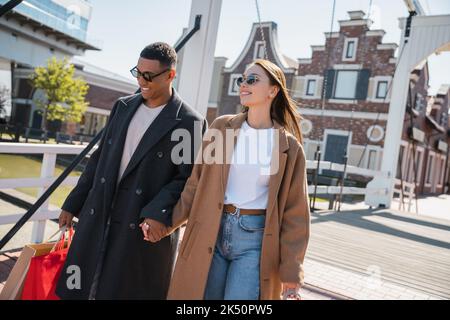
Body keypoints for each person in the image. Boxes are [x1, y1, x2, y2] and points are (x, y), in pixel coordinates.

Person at [143, 59, 310, 300]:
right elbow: (195, 184)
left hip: (254, 241)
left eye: (252, 80)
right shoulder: (222, 128)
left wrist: (292, 273)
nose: (244, 84)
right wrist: (166, 222)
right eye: (243, 79)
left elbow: (296, 214)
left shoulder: (289, 148)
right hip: (211, 229)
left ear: (273, 91)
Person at [57, 42, 206, 299]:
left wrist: (157, 214)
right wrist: (73, 202)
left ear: (170, 75)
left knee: (121, 290)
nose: (141, 81)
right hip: (101, 211)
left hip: (139, 223)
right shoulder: (123, 106)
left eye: (148, 76)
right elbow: (100, 158)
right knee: (82, 288)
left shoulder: (189, 122)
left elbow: (186, 178)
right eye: (137, 73)